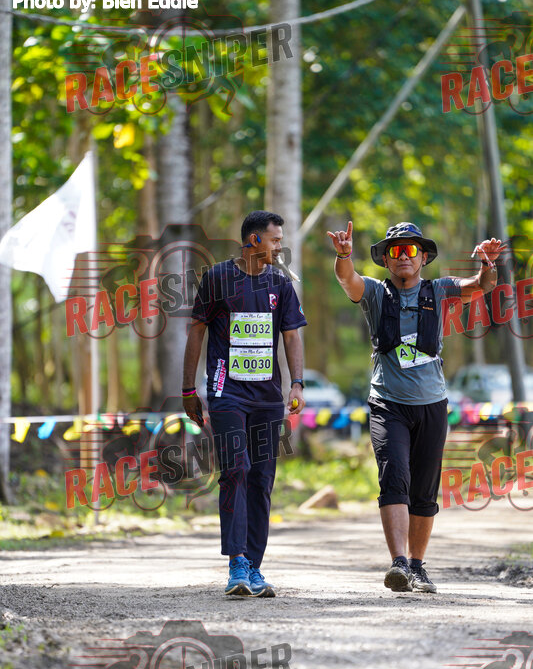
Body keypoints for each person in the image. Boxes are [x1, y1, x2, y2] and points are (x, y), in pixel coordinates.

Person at [328, 220, 502, 593]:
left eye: (411, 250)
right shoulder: (375, 293)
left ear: (423, 257)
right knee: (394, 476)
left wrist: (488, 265)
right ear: (386, 260)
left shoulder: (439, 290)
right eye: (396, 250)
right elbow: (347, 279)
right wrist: (343, 255)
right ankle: (399, 564)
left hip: (432, 405)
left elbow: (481, 286)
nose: (403, 256)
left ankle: (418, 566)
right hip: (387, 404)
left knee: (423, 489)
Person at [182, 210, 307, 597]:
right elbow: (197, 331)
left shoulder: (280, 283)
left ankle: (254, 566)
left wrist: (297, 384)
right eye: (274, 239)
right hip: (227, 392)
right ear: (253, 240)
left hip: (267, 398)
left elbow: (292, 336)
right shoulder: (218, 278)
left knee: (262, 478)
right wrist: (188, 389)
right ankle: (236, 562)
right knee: (235, 469)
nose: (279, 246)